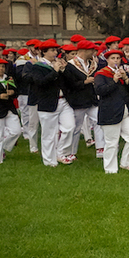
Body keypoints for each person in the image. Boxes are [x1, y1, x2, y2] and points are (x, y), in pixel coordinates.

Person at [27, 39, 75, 167]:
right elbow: (40, 83)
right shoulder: (38, 66)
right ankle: (49, 161)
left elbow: (71, 82)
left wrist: (64, 70)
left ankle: (60, 153)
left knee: (69, 127)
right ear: (44, 52)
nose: (55, 53)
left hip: (64, 101)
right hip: (47, 102)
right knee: (49, 133)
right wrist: (54, 71)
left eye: (56, 50)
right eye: (53, 50)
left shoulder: (59, 64)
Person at [94, 49, 129, 173]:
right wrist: (114, 81)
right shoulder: (101, 74)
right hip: (110, 111)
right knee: (111, 142)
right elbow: (100, 91)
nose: (116, 60)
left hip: (125, 110)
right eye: (113, 58)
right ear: (107, 60)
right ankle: (110, 168)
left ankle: (125, 162)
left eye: (118, 58)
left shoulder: (123, 73)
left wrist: (126, 79)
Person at [63, 40, 104, 159]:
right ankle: (72, 151)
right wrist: (84, 82)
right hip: (77, 100)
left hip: (91, 99)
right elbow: (68, 84)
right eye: (91, 50)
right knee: (76, 127)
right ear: (83, 51)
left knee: (99, 121)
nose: (93, 52)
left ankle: (100, 147)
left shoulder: (93, 64)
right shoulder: (70, 65)